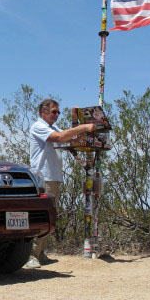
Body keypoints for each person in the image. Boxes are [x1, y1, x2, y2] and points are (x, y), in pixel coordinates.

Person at [25, 99, 96, 269]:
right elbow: (60, 137)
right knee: (39, 216)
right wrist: (84, 127)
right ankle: (30, 255)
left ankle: (40, 253)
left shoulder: (52, 128)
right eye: (54, 112)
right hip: (43, 177)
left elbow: (69, 138)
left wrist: (74, 120)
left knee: (49, 217)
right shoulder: (39, 126)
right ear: (43, 112)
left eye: (58, 112)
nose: (56, 115)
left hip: (54, 178)